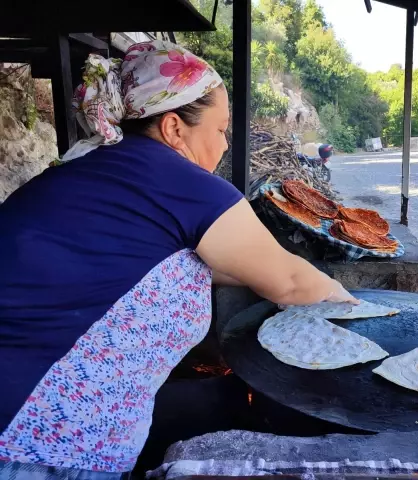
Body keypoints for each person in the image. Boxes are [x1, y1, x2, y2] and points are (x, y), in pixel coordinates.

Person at [0, 40, 356, 479]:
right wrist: (353, 304)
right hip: (37, 439)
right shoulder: (180, 181)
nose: (225, 144)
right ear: (173, 128)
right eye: (221, 129)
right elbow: (289, 282)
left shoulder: (95, 169)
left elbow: (170, 261)